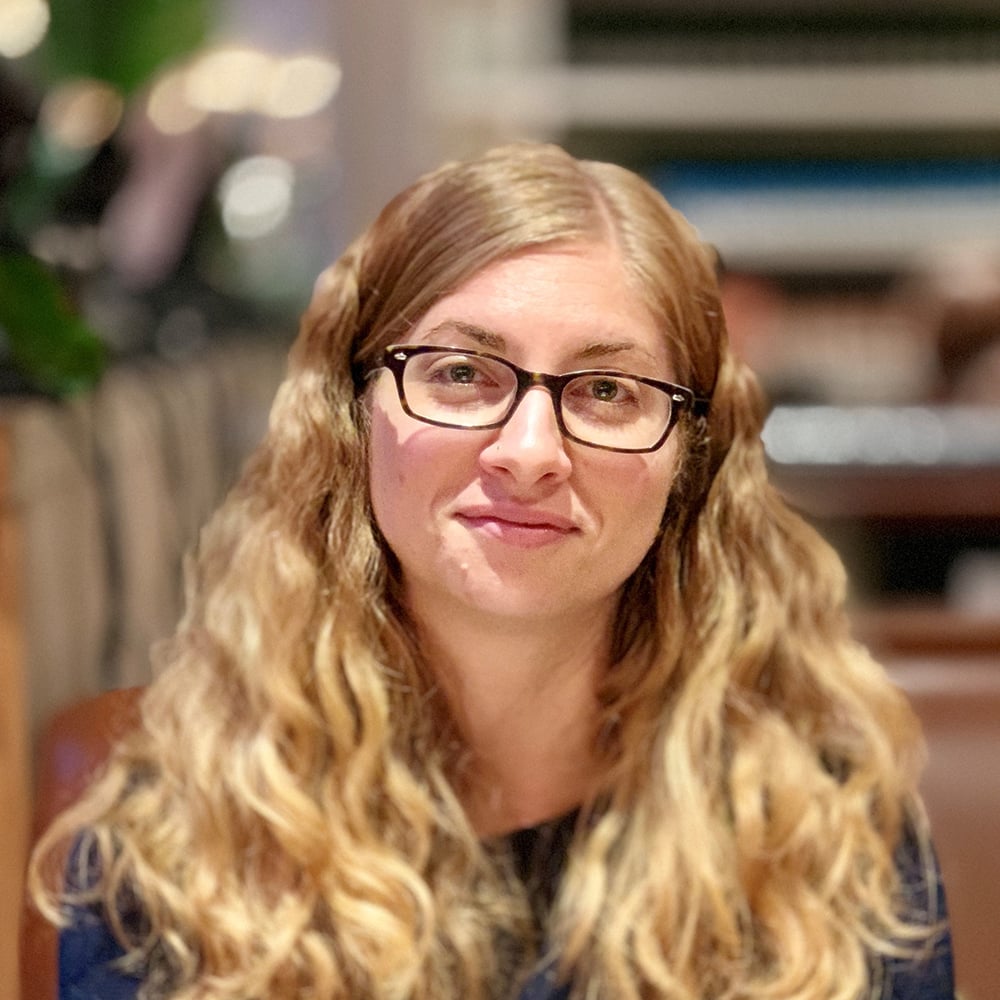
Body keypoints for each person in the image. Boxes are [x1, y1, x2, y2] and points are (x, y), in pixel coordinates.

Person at [30, 142, 954, 1000]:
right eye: (463, 373)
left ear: (691, 461)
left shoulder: (828, 838)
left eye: (607, 390)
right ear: (352, 414)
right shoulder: (172, 844)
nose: (529, 452)